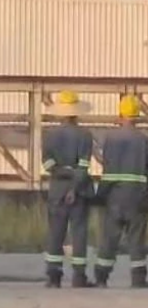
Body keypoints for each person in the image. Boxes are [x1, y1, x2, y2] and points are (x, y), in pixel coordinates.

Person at [95, 95, 148, 288]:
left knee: (109, 237)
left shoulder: (110, 139)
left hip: (114, 196)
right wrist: (146, 193)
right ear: (136, 116)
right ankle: (138, 278)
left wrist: (100, 196)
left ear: (120, 114)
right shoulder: (145, 140)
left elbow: (107, 170)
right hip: (137, 196)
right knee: (136, 238)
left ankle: (101, 277)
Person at [41, 90, 95, 288]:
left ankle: (53, 276)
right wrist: (74, 187)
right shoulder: (85, 135)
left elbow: (47, 165)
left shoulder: (49, 135)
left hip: (56, 189)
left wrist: (62, 172)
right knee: (79, 233)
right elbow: (83, 166)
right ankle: (79, 276)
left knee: (56, 232)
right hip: (79, 190)